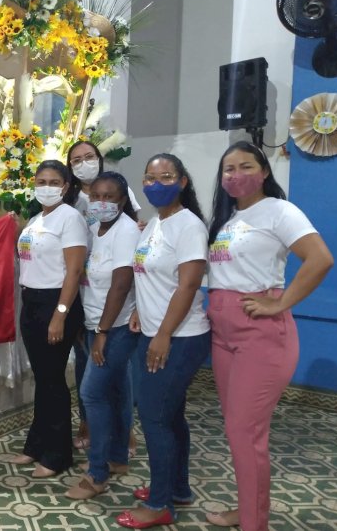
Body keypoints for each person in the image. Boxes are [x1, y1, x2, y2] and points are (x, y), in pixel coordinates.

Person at [204, 142, 333, 531]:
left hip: (260, 336)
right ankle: (247, 510)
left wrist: (279, 304)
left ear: (264, 172)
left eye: (246, 166)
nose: (236, 174)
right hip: (223, 336)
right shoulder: (226, 220)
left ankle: (253, 522)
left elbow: (320, 258)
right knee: (238, 428)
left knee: (245, 430)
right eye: (228, 168)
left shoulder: (280, 211)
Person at [116, 153, 211, 528]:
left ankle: (158, 505)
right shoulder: (156, 223)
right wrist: (142, 309)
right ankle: (177, 487)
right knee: (170, 416)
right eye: (149, 178)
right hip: (154, 330)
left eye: (166, 176)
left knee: (154, 418)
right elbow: (153, 277)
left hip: (179, 336)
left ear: (183, 182)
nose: (156, 184)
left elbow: (188, 285)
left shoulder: (188, 225)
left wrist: (165, 333)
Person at [10, 160, 87, 477]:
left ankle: (57, 455)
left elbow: (74, 270)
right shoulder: (36, 219)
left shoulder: (70, 219)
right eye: (41, 180)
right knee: (42, 379)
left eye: (54, 181)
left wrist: (60, 314)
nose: (46, 186)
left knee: (53, 381)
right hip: (31, 301)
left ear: (66, 186)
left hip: (56, 303)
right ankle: (36, 445)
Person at [65, 172, 140, 499]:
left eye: (110, 197)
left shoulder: (125, 232)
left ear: (123, 201)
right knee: (119, 390)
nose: (102, 203)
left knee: (92, 393)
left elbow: (121, 284)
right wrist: (85, 322)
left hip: (117, 326)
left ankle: (97, 474)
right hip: (94, 322)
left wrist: (104, 333)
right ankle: (118, 458)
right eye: (96, 196)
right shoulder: (95, 229)